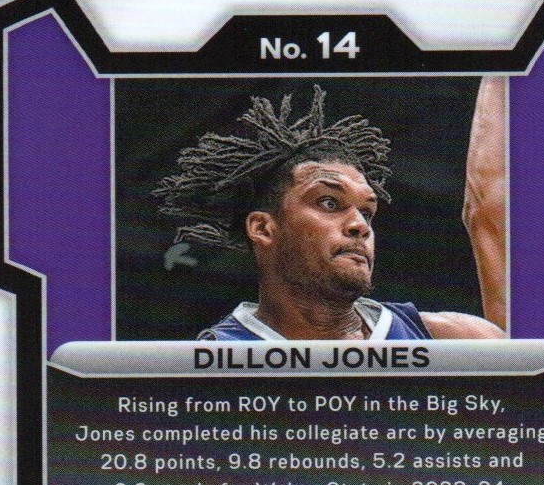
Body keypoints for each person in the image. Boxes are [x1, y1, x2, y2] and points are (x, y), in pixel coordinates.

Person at [153, 83, 506, 342]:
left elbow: (489, 206)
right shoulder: (219, 358)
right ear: (262, 228)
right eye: (329, 203)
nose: (359, 225)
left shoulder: (454, 339)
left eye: (367, 212)